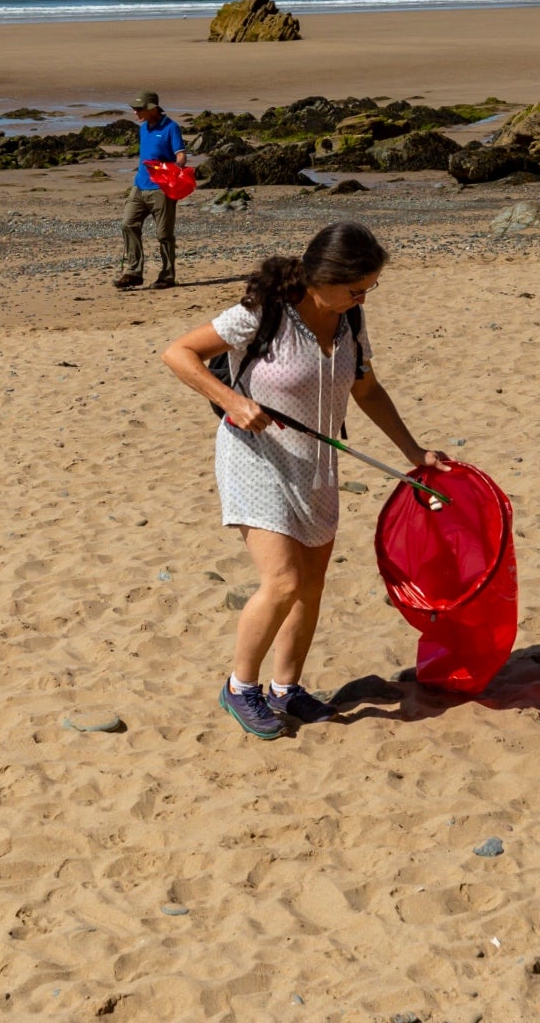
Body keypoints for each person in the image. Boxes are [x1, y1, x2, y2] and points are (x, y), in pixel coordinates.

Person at [160, 222, 448, 739]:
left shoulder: (349, 321)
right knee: (284, 581)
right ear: (320, 278)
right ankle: (240, 688)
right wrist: (233, 401)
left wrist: (414, 451)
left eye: (369, 289)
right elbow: (179, 354)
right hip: (254, 457)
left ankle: (285, 688)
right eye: (355, 288)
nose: (362, 298)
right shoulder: (261, 314)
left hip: (316, 462)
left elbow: (368, 391)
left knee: (310, 586)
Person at [116, 91, 185, 290]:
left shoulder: (171, 128)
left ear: (152, 108)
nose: (135, 112)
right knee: (128, 223)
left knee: (164, 234)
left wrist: (177, 169)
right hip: (139, 185)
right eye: (134, 109)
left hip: (161, 189)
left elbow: (180, 155)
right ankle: (133, 272)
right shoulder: (143, 128)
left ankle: (167, 276)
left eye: (139, 109)